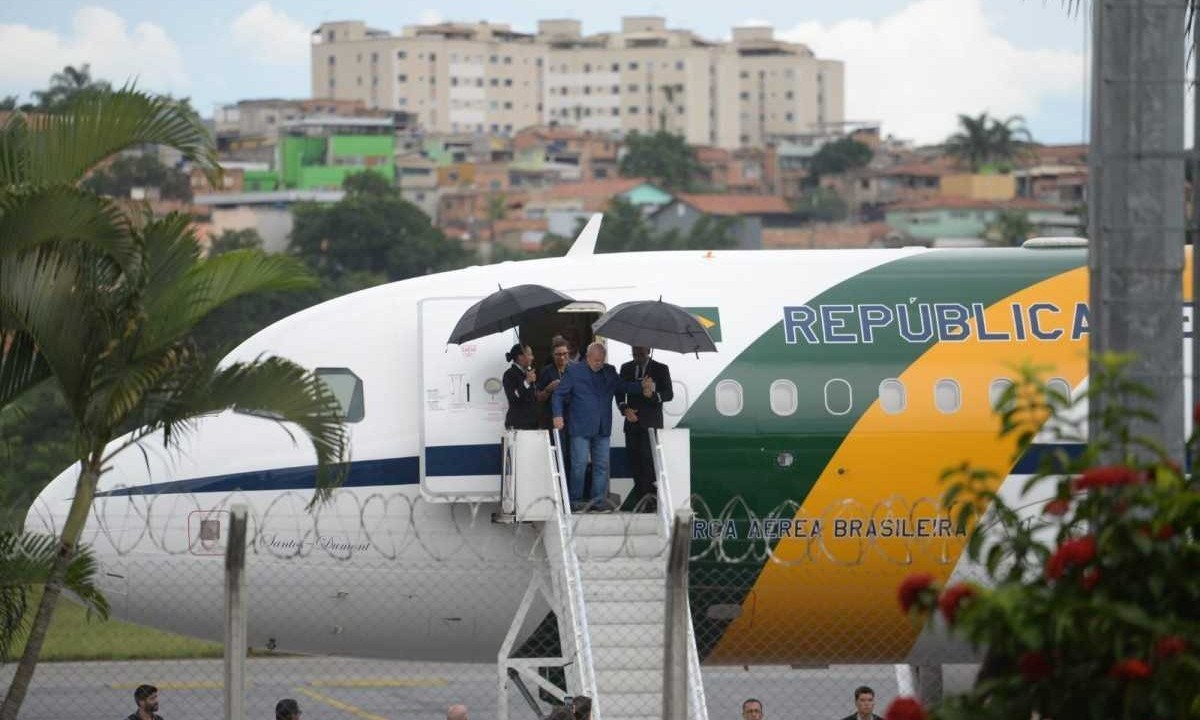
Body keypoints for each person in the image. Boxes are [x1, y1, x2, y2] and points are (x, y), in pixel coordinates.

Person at [552, 342, 651, 510]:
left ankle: (597, 501)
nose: (599, 363)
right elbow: (558, 394)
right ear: (588, 357)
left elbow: (623, 386)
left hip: (602, 428)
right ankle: (574, 501)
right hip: (580, 427)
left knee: (602, 466)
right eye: (596, 360)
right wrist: (557, 415)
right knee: (579, 465)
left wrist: (641, 386)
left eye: (601, 360)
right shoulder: (574, 371)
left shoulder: (609, 371)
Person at [617, 346, 673, 511]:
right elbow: (619, 392)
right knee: (635, 464)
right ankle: (640, 501)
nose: (637, 357)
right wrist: (624, 409)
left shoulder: (660, 369)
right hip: (631, 423)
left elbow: (669, 394)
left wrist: (653, 395)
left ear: (648, 350)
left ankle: (651, 502)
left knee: (649, 465)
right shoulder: (626, 368)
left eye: (640, 354)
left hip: (651, 424)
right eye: (634, 354)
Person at [538, 337, 574, 471]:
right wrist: (549, 388)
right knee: (560, 456)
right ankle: (559, 490)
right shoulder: (547, 371)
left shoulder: (576, 369)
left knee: (574, 457)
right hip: (554, 421)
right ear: (553, 355)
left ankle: (571, 490)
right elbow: (539, 398)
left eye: (565, 353)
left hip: (573, 420)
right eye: (558, 354)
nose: (562, 357)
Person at [502, 343, 539, 430]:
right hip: (517, 424)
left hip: (532, 423)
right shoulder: (509, 374)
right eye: (530, 354)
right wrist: (527, 382)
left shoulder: (527, 373)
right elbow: (513, 397)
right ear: (520, 357)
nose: (532, 358)